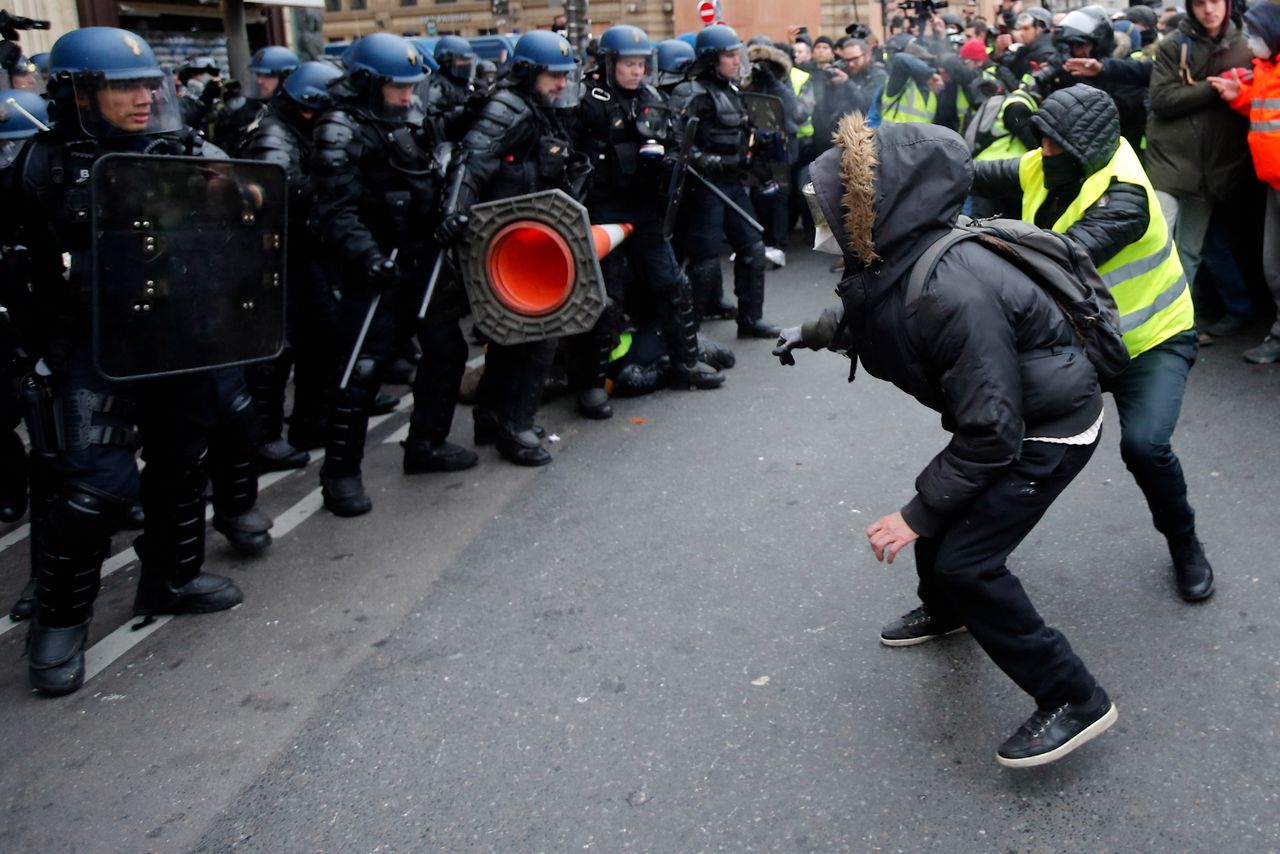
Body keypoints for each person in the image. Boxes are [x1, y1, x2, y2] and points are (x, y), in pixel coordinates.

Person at [775, 115, 1116, 768]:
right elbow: (869, 307)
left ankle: (1074, 697)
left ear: (877, 207)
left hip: (1051, 430)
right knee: (945, 512)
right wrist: (812, 330)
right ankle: (947, 609)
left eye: (835, 206)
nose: (824, 217)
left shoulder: (948, 288)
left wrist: (913, 516)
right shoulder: (905, 250)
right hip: (1009, 418)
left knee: (965, 556)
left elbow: (993, 432)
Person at [18, 27, 247, 695]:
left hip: (173, 335)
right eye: (123, 85)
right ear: (79, 93)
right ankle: (58, 625)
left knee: (183, 460)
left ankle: (170, 578)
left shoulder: (180, 148)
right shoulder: (39, 166)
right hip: (86, 346)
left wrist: (230, 191)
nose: (144, 97)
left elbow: (252, 215)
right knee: (95, 490)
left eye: (148, 83)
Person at [972, 85, 1215, 602]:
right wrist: (905, 166)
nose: (1042, 152)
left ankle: (1184, 542)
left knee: (1145, 447)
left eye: (1053, 144)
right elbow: (975, 171)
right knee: (1000, 438)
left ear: (1082, 148)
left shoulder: (1124, 196)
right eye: (1041, 140)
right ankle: (966, 572)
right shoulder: (1051, 162)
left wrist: (969, 242)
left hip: (1152, 340)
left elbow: (1056, 259)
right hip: (1083, 340)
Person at [310, 32, 472, 515]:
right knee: (362, 370)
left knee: (446, 349)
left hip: (422, 257)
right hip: (375, 267)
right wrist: (367, 256)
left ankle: (426, 443)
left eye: (410, 87)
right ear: (366, 84)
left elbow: (428, 178)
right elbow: (334, 211)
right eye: (396, 88)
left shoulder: (409, 119)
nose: (407, 96)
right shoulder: (340, 129)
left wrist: (446, 217)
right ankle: (340, 474)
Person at [437, 30, 592, 466]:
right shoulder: (508, 107)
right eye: (551, 75)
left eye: (565, 75)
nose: (561, 83)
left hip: (526, 235)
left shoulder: (543, 109)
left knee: (511, 337)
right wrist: (454, 211)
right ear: (528, 73)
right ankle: (515, 426)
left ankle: (493, 417)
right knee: (536, 336)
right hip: (502, 238)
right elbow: (472, 159)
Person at [567, 24, 724, 419]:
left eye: (641, 63)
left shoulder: (652, 98)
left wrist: (671, 161)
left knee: (674, 285)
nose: (636, 71)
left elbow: (674, 144)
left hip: (644, 210)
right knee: (607, 300)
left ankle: (685, 366)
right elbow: (567, 149)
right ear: (609, 63)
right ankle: (592, 384)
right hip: (604, 212)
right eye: (628, 64)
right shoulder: (588, 100)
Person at [238, 60, 344, 474]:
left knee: (323, 337)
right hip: (274, 255)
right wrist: (328, 180)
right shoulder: (273, 133)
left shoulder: (304, 130)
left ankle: (311, 421)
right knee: (274, 350)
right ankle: (263, 439)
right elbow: (280, 188)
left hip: (306, 252)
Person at [1146, 0, 1254, 340]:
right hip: (1170, 161)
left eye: (1215, 2)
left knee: (1192, 249)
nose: (1209, 10)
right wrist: (1214, 86)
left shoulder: (1247, 45)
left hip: (1217, 167)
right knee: (1159, 245)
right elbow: (1161, 99)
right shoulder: (1173, 44)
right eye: (1200, 3)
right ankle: (1168, 323)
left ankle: (1179, 323)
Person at [670, 24, 780, 339]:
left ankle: (750, 320)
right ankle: (689, 333)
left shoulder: (731, 90)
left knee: (753, 249)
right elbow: (677, 145)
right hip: (704, 187)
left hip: (732, 183)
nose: (736, 61)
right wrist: (708, 161)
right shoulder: (690, 93)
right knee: (704, 264)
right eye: (729, 55)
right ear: (710, 59)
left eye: (737, 54)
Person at [1212, 0, 1280, 363]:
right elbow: (1262, 109)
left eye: (1255, 32)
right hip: (1273, 185)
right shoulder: (1267, 69)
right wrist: (1236, 95)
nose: (1250, 40)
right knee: (1274, 266)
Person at [214, 45, 299, 152]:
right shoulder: (240, 111)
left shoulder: (298, 112)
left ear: (285, 78)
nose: (260, 81)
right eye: (258, 75)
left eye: (268, 76)